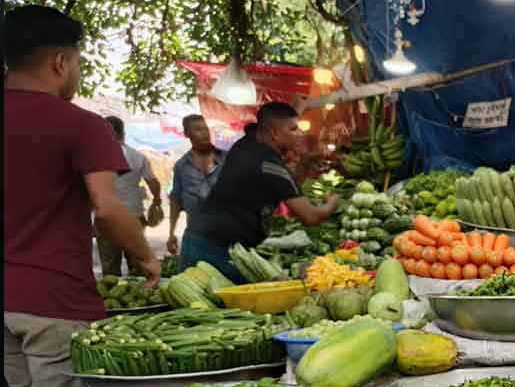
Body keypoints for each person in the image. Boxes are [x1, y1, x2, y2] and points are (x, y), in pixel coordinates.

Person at [4, 5, 159, 387]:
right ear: (59, 62)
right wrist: (145, 260)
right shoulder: (80, 124)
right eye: (77, 61)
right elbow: (110, 210)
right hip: (53, 296)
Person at [181, 102, 338, 280]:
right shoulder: (271, 165)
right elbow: (310, 217)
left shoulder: (245, 144)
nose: (300, 134)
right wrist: (332, 203)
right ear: (274, 133)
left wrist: (298, 109)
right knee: (211, 304)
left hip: (200, 237)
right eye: (294, 129)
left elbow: (268, 127)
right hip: (216, 251)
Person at [99, 115, 162, 276]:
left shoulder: (97, 157)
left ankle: (112, 297)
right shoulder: (138, 156)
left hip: (108, 217)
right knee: (138, 264)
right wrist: (157, 199)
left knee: (110, 266)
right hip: (134, 216)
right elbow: (153, 183)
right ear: (123, 132)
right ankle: (141, 297)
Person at [167, 114, 226, 255]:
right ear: (187, 133)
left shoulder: (228, 159)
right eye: (198, 129)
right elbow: (175, 200)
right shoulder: (181, 166)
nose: (204, 133)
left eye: (205, 129)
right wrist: (171, 233)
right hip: (196, 233)